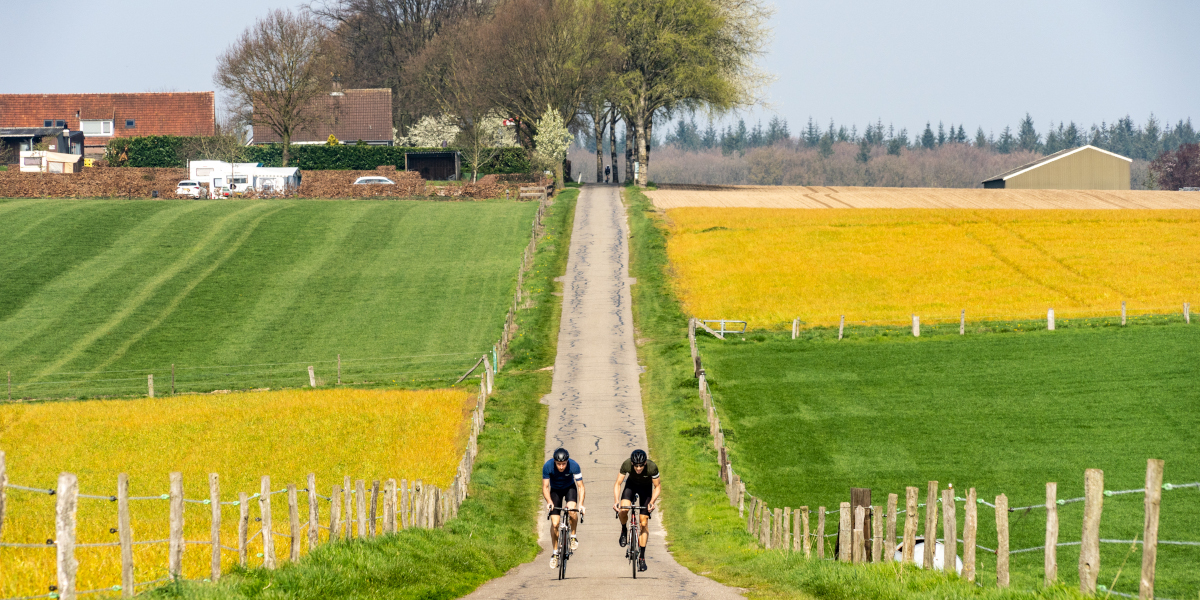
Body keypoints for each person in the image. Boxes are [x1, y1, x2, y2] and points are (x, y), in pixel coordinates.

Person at [612, 449, 659, 572]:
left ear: (645, 463)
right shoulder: (627, 464)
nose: (638, 468)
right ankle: (624, 529)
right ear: (632, 463)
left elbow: (657, 487)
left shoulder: (652, 467)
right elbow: (618, 483)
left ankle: (642, 558)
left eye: (641, 466)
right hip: (631, 486)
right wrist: (616, 501)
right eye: (636, 466)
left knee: (643, 523)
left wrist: (652, 502)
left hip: (646, 489)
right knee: (623, 509)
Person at [543, 447, 585, 569]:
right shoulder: (548, 466)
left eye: (563, 464)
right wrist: (549, 501)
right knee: (555, 523)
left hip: (569, 488)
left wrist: (581, 504)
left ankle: (573, 536)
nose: (561, 467)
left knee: (572, 511)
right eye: (559, 464)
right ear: (554, 462)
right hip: (555, 491)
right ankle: (555, 553)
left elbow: (580, 487)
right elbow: (545, 487)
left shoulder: (574, 465)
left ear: (567, 461)